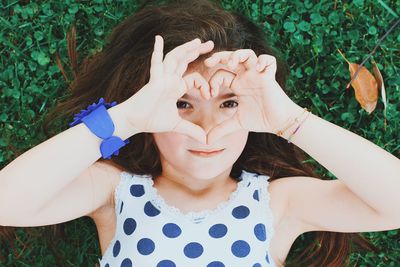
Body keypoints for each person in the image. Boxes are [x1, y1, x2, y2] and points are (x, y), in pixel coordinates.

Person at [1, 0, 399, 266]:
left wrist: (288, 121)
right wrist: (126, 120)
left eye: (229, 103)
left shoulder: (279, 202)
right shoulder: (114, 192)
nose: (205, 130)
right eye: (182, 104)